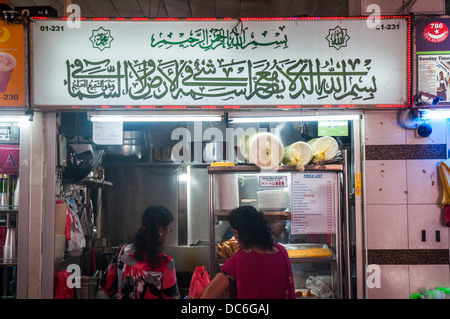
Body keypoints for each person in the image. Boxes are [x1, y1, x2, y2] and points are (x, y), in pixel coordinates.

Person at [201, 206, 295, 299]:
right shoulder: (282, 251)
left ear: (245, 233)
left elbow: (207, 296)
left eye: (235, 233)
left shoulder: (241, 258)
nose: (235, 238)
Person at [101, 205, 180, 299]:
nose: (168, 232)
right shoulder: (166, 263)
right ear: (160, 230)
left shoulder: (124, 251)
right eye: (168, 228)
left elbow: (106, 286)